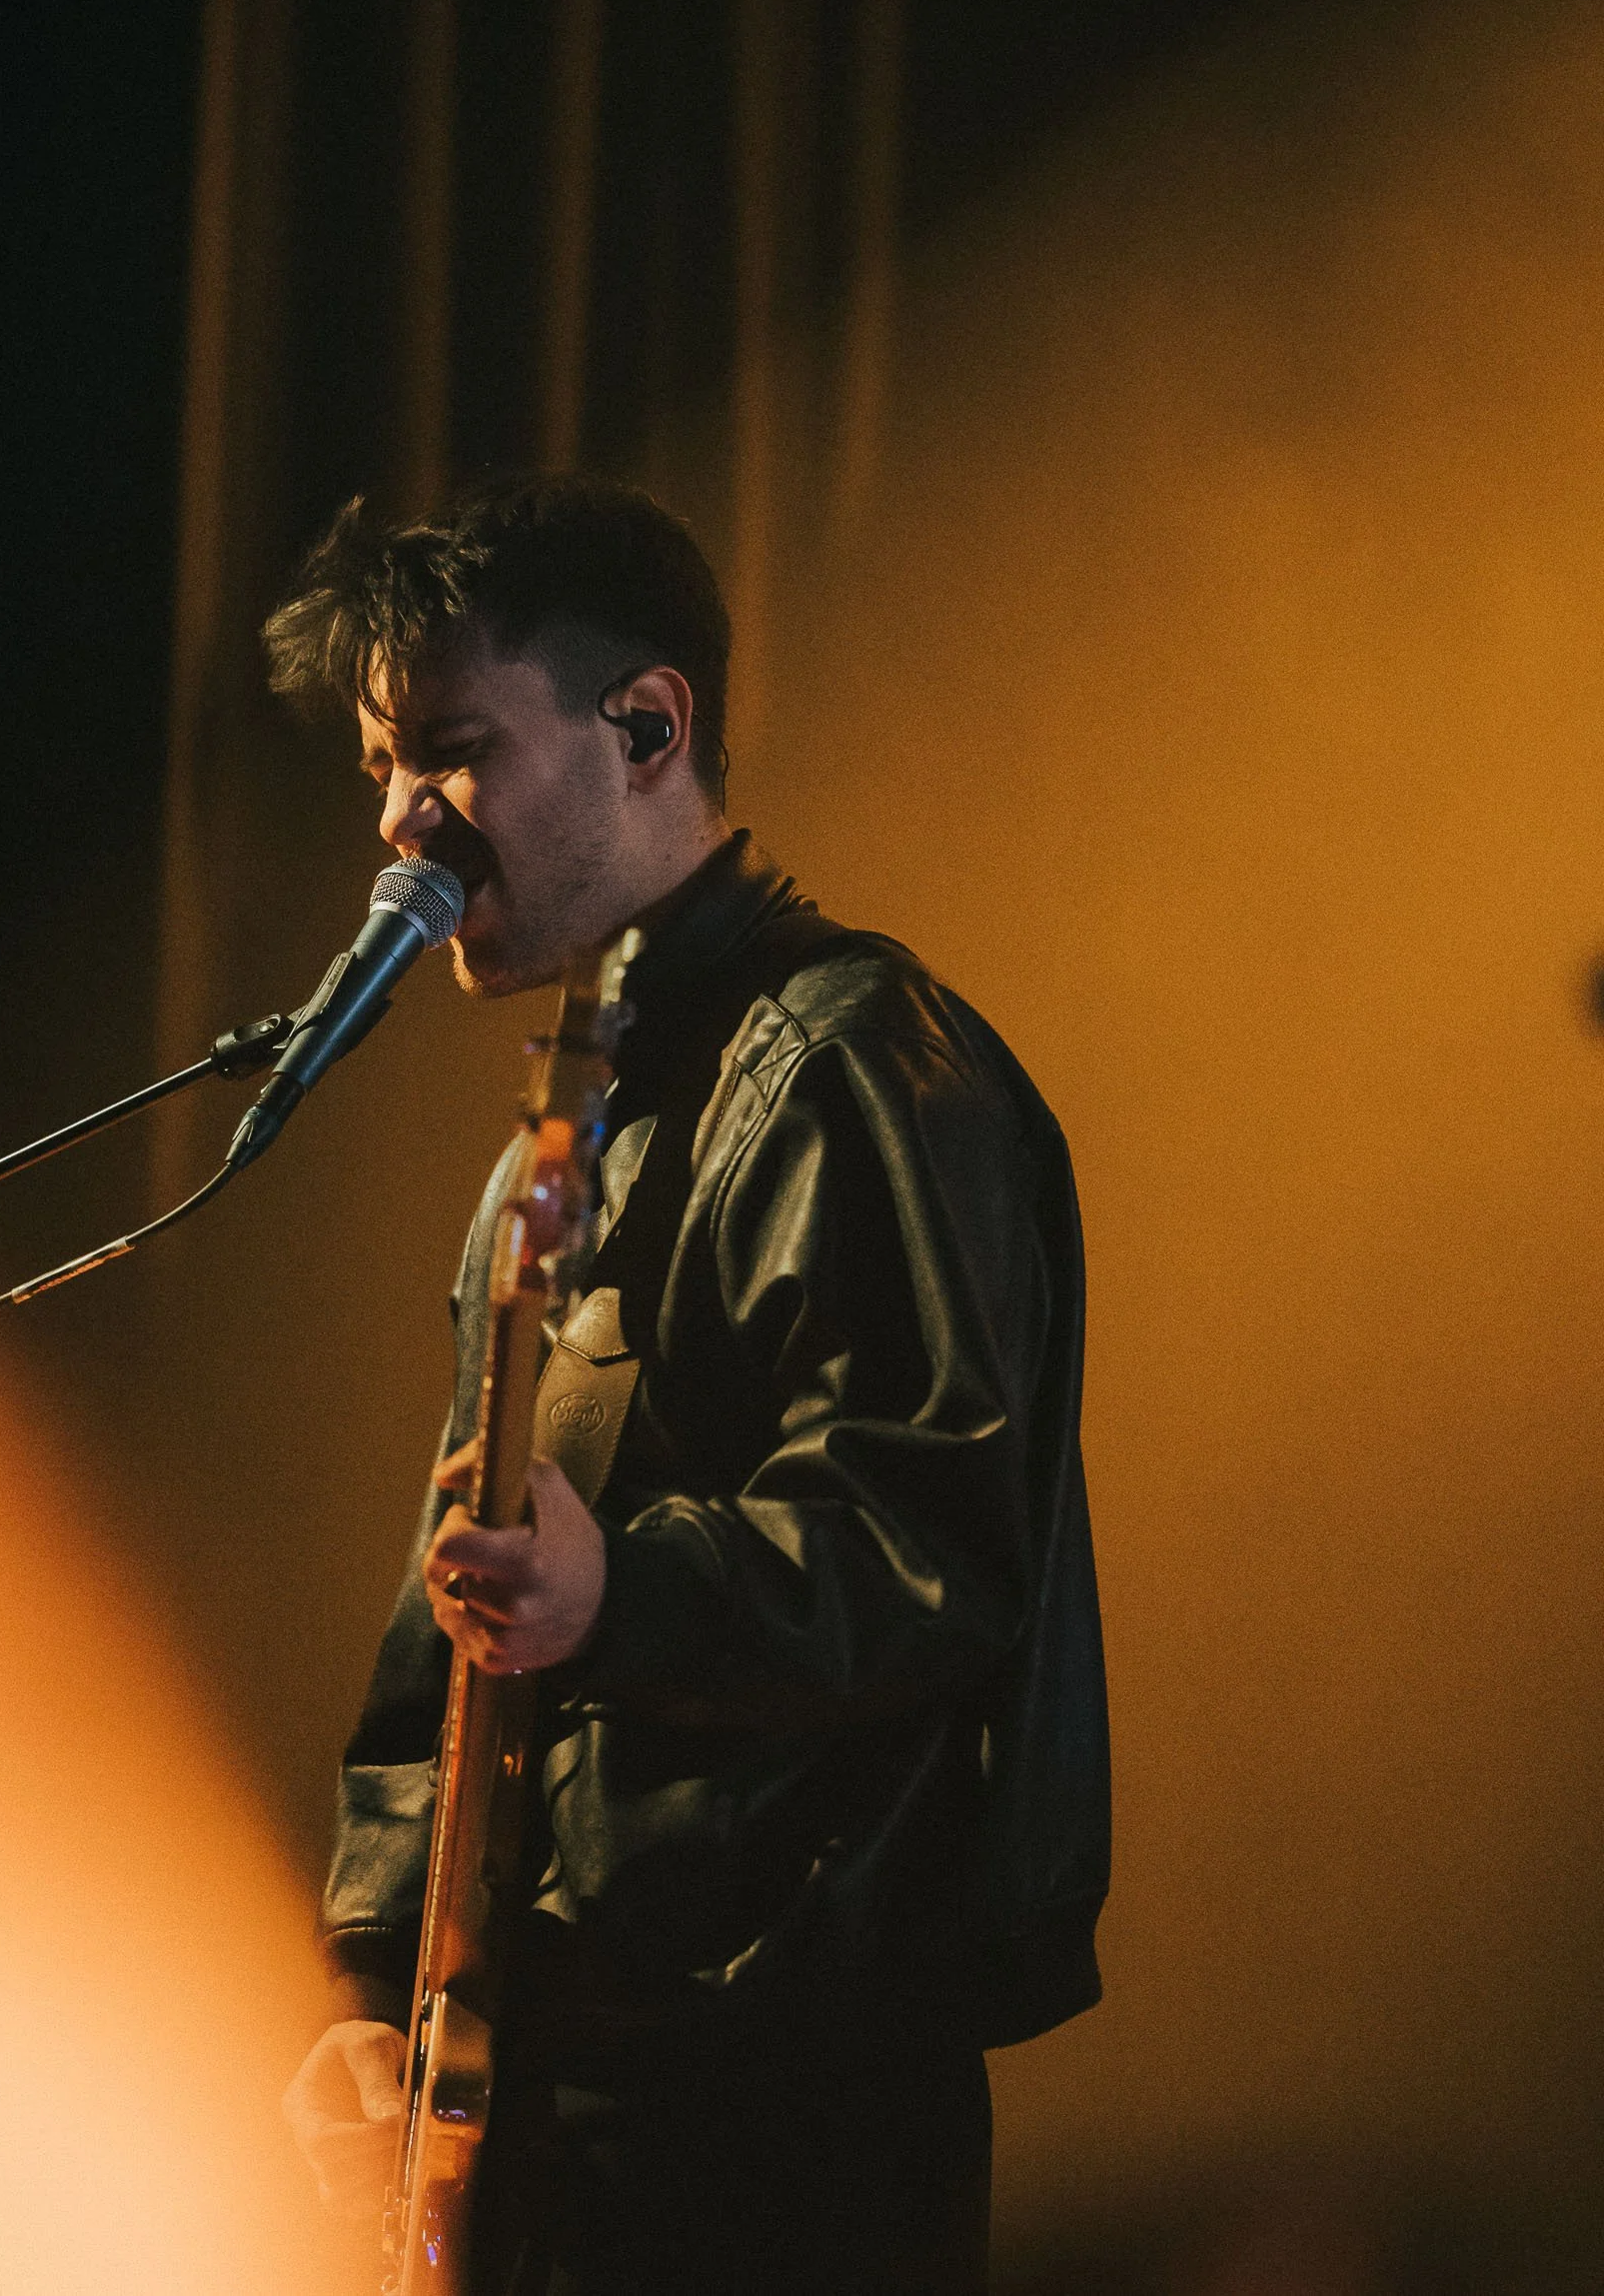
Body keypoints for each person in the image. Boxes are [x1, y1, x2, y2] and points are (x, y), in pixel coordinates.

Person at [271, 477, 1109, 2296]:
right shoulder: (558, 1137)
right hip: (553, 2098)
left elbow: (942, 1548)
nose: (403, 822)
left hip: (777, 2124)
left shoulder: (859, 1065)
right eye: (378, 769)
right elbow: (447, 1632)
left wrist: (620, 1589)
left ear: (646, 726)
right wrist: (365, 1984)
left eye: (451, 752)